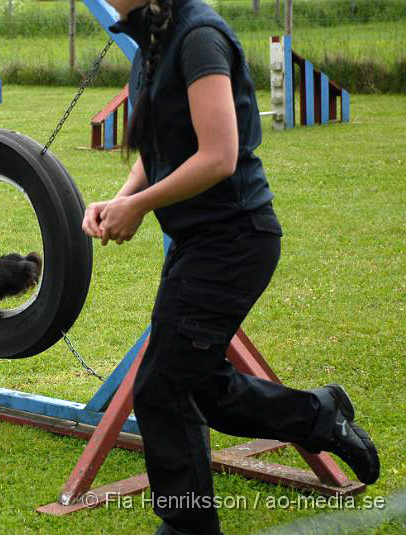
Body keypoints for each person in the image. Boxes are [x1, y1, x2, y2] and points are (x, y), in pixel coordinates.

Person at [81, 1, 380, 534]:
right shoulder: (152, 41)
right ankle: (319, 415)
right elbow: (163, 148)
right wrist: (121, 198)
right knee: (189, 385)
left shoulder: (199, 38)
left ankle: (189, 526)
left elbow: (219, 154)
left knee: (162, 388)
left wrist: (141, 206)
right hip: (199, 242)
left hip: (233, 240)